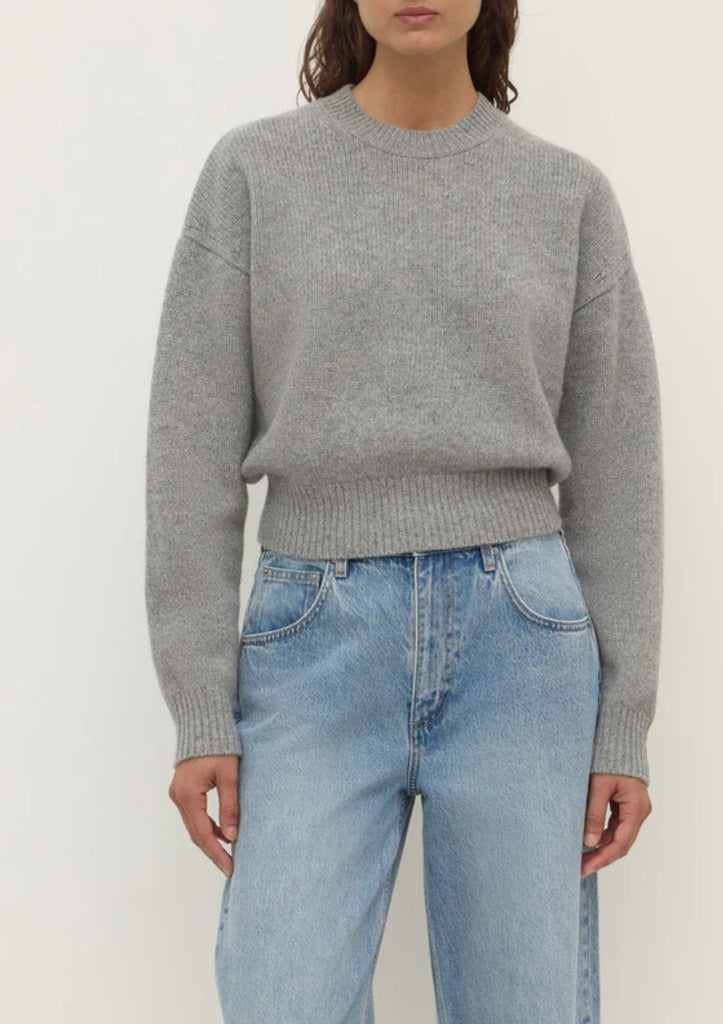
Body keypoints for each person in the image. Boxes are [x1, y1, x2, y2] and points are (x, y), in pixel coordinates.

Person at [144, 1, 663, 1021]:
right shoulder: (255, 174)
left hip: (522, 643)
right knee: (281, 997)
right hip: (312, 641)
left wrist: (623, 724)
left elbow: (619, 471)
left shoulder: (566, 195)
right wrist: (199, 703)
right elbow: (189, 450)